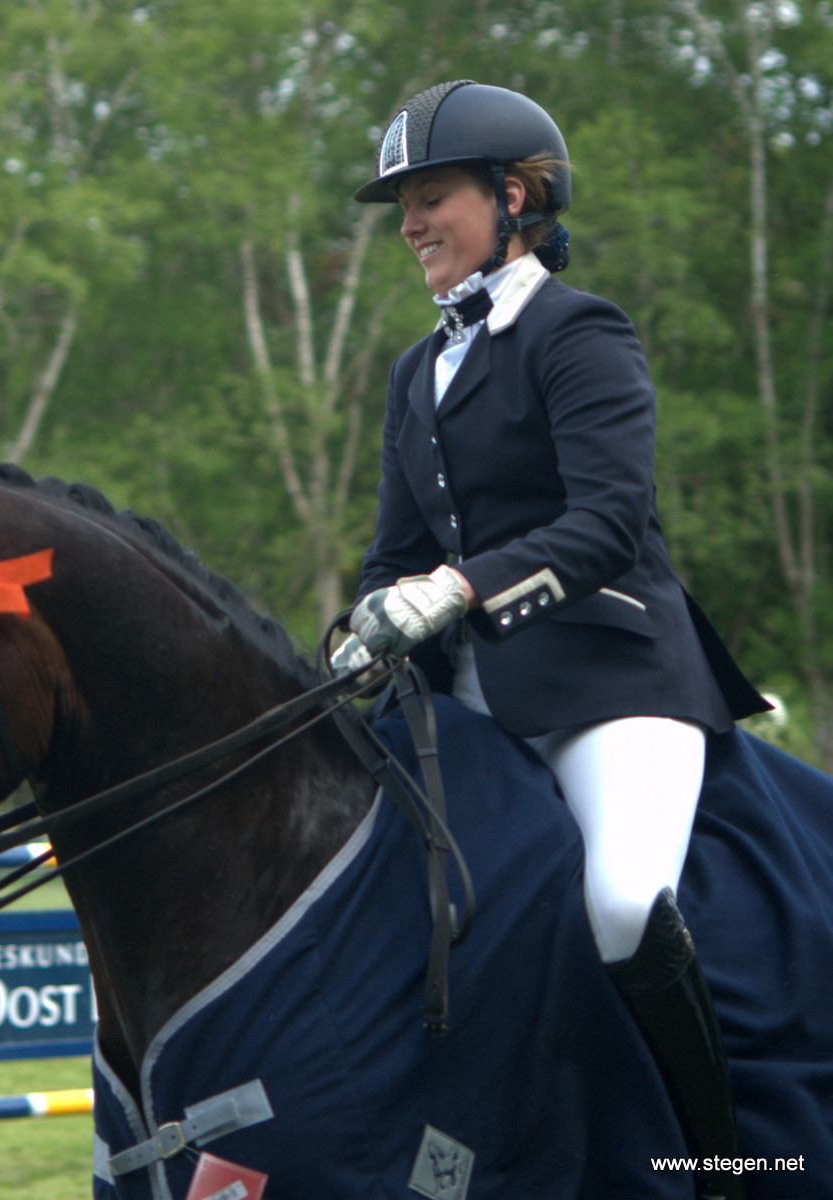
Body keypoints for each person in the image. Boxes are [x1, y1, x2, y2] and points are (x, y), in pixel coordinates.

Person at [333, 79, 771, 1200]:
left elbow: (604, 519)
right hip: (463, 704)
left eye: (429, 198)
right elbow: (392, 549)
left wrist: (454, 589)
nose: (409, 224)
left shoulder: (578, 332)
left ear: (512, 197)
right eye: (403, 206)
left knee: (622, 902)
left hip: (609, 683)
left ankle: (719, 1165)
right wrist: (357, 627)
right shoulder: (414, 369)